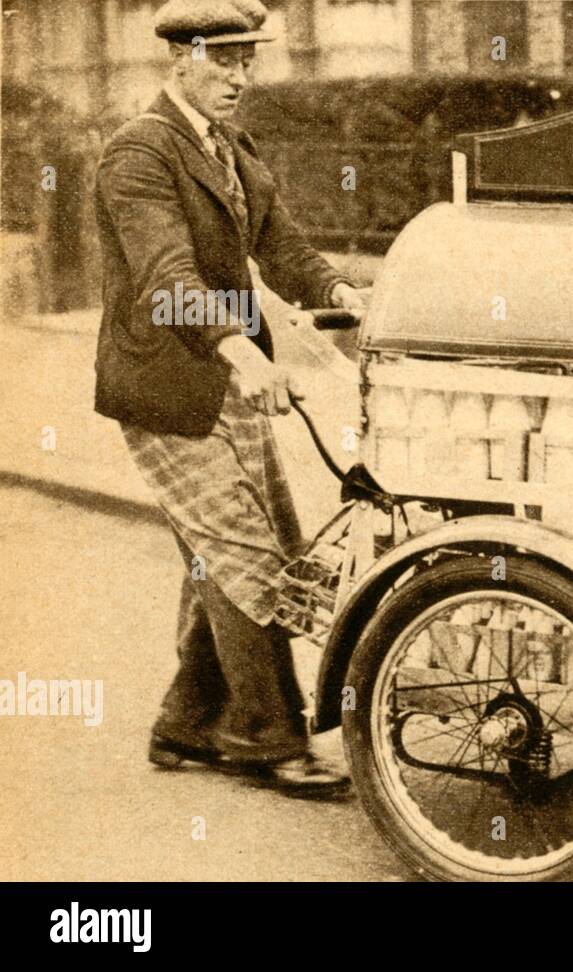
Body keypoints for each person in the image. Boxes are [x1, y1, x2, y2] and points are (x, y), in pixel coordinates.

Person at [94, 0, 368, 797]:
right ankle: (265, 738)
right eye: (226, 62)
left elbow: (282, 247)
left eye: (250, 62)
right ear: (181, 58)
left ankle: (186, 724)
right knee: (247, 554)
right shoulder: (137, 154)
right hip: (168, 388)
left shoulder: (232, 148)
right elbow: (166, 280)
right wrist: (241, 352)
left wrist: (343, 289)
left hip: (232, 379)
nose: (241, 77)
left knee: (221, 555)